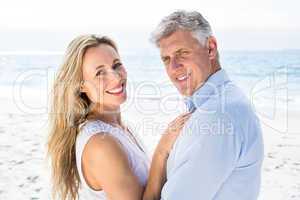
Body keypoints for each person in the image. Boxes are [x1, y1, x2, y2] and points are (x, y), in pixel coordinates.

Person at [47, 34, 191, 200]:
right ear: (81, 86)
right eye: (100, 73)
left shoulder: (120, 127)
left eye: (116, 65)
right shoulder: (100, 144)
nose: (116, 77)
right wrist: (163, 148)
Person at [151, 10, 264, 200]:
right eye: (166, 59)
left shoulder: (218, 115)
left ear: (210, 48)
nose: (173, 68)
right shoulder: (218, 103)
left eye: (182, 53)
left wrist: (161, 153)